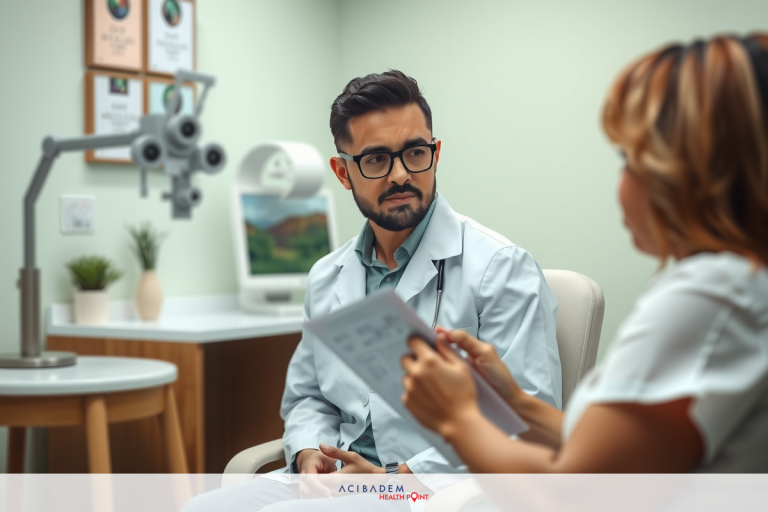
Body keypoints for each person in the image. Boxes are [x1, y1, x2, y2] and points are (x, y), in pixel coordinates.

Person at [183, 70, 561, 511]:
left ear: (435, 155)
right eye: (377, 160)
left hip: (437, 490)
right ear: (343, 172)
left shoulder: (501, 268)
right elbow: (308, 397)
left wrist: (395, 478)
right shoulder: (328, 275)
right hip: (339, 484)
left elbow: (525, 418)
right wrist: (307, 454)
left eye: (415, 153)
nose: (401, 174)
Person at [401, 33, 768, 473]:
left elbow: (572, 495)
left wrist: (456, 418)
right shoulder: (743, 284)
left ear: (687, 172)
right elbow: (614, 454)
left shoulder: (716, 291)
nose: (621, 184)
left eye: (629, 159)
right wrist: (513, 401)